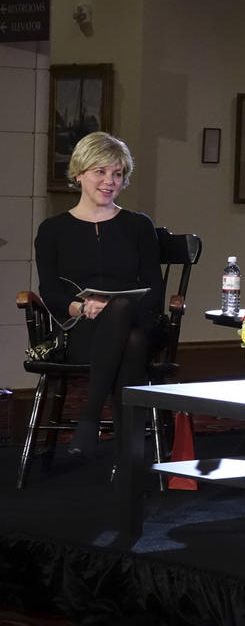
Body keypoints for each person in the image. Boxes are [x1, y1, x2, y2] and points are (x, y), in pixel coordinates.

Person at [34, 132, 165, 458]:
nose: (110, 181)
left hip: (138, 319)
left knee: (121, 310)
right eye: (101, 171)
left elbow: (155, 290)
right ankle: (128, 460)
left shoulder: (138, 226)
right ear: (79, 173)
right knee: (130, 342)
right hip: (83, 330)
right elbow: (49, 290)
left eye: (117, 174)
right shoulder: (53, 230)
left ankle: (89, 420)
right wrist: (79, 307)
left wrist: (112, 307)